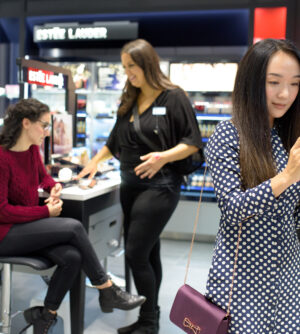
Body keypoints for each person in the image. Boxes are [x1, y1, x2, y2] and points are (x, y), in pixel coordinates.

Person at [76, 38, 203, 334]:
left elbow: (192, 142)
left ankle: (148, 321)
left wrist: (162, 157)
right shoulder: (130, 98)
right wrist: (94, 161)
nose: (128, 73)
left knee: (134, 253)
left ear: (147, 64)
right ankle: (150, 320)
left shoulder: (173, 97)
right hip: (130, 185)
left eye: (131, 66)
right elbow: (113, 140)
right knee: (149, 252)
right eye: (124, 68)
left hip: (161, 187)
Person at [0, 98, 146, 334]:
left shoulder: (31, 152)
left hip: (24, 229)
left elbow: (43, 178)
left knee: (73, 257)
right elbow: (2, 211)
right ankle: (106, 289)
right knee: (73, 228)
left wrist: (53, 187)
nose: (48, 132)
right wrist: (44, 211)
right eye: (44, 126)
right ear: (25, 123)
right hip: (5, 234)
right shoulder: (2, 157)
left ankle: (45, 316)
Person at [205, 38, 300, 334]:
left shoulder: (290, 135)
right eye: (274, 82)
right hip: (242, 280)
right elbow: (232, 209)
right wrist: (285, 177)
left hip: (288, 278)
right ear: (252, 81)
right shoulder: (228, 135)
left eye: (295, 83)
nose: (285, 94)